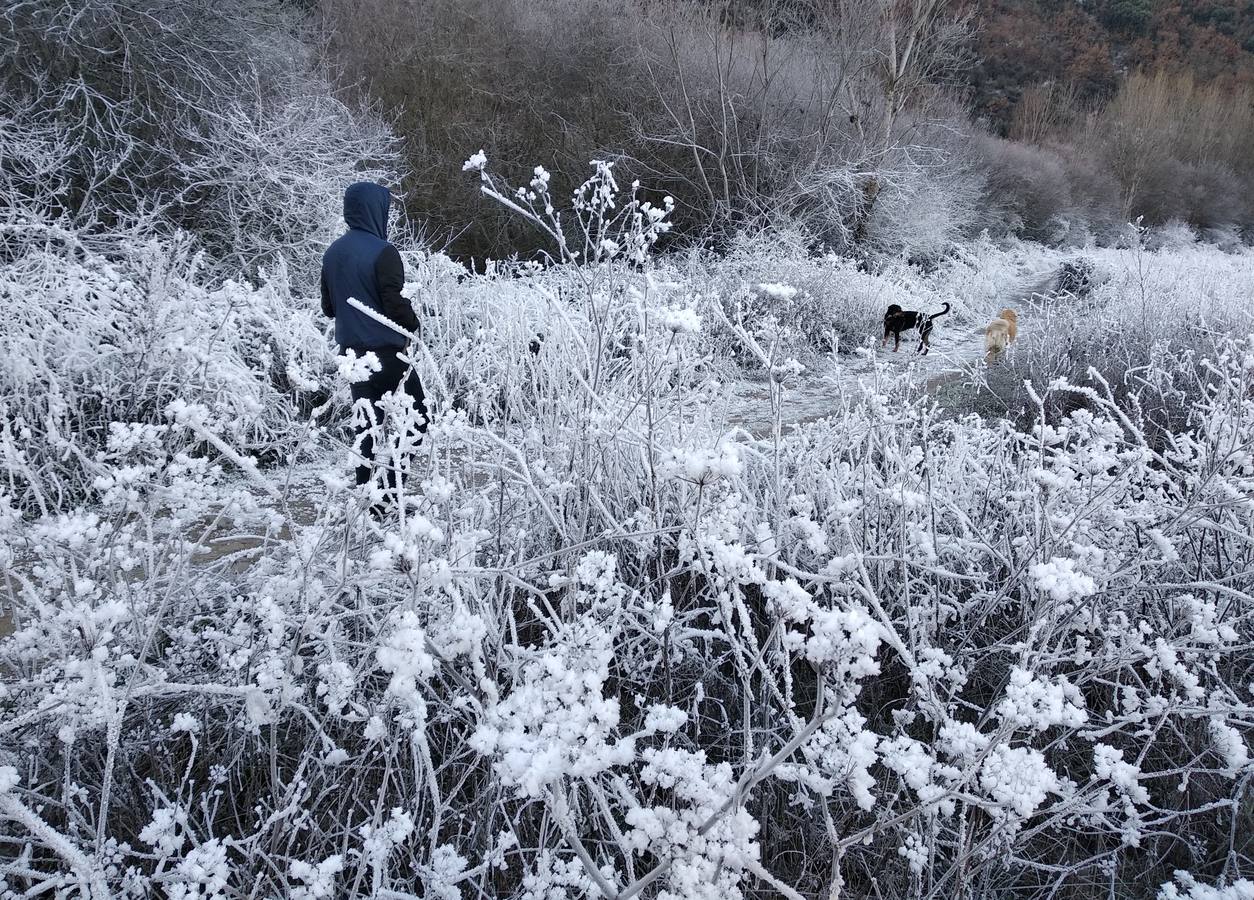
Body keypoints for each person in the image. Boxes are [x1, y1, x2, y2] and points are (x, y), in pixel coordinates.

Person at [320, 182, 426, 497]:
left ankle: (368, 495)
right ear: (375, 210)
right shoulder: (384, 251)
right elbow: (393, 303)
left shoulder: (332, 252)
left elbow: (329, 308)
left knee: (367, 427)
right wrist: (414, 322)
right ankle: (392, 490)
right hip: (389, 355)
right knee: (417, 417)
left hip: (352, 357)